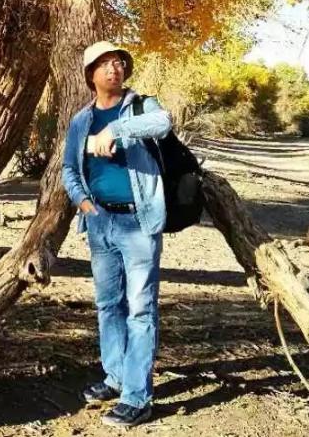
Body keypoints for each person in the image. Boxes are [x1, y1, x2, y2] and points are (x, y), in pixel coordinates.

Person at [60, 40, 173, 428]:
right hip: (100, 222)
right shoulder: (80, 121)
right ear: (91, 75)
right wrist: (85, 205)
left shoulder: (142, 106)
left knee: (140, 309)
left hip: (138, 224)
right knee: (108, 305)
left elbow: (163, 124)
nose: (114, 69)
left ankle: (137, 397)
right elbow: (69, 170)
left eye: (119, 63)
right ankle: (116, 376)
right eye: (105, 64)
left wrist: (117, 128)